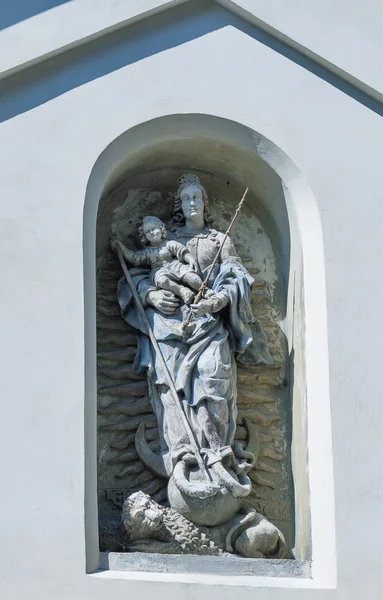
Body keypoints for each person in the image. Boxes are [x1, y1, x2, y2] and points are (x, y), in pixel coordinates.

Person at [116, 174, 256, 497]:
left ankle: (218, 451)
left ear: (206, 204)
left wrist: (219, 299)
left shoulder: (220, 241)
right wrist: (150, 295)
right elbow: (138, 274)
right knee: (170, 389)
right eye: (186, 198)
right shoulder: (164, 240)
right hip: (169, 328)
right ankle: (181, 453)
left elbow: (237, 278)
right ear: (179, 205)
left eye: (197, 198)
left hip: (209, 325)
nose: (192, 203)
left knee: (211, 379)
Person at [113, 215, 213, 305]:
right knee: (163, 281)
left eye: (153, 229)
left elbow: (182, 251)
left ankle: (205, 291)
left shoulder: (169, 244)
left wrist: (190, 259)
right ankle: (182, 291)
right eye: (147, 231)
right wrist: (121, 247)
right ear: (144, 236)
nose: (151, 233)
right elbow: (133, 258)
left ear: (161, 229)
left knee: (192, 277)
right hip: (158, 270)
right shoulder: (146, 253)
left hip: (175, 265)